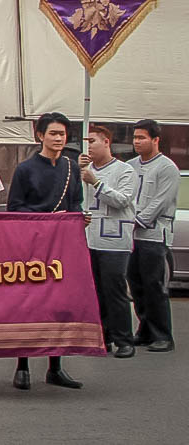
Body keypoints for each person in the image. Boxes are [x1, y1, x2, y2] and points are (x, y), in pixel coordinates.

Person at [7, 111, 84, 390]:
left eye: (62, 134)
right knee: (29, 305)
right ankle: (23, 365)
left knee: (59, 306)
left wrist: (77, 217)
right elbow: (15, 208)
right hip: (33, 245)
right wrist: (47, 218)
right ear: (40, 135)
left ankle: (56, 366)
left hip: (63, 246)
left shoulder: (71, 167)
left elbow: (76, 202)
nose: (58, 138)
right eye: (53, 133)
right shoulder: (25, 169)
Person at [81, 124, 137, 358]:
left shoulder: (125, 171)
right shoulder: (83, 171)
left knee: (115, 289)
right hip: (89, 238)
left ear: (106, 142)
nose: (89, 147)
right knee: (96, 291)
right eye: (86, 142)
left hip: (114, 240)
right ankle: (103, 336)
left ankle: (125, 338)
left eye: (93, 141)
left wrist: (96, 182)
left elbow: (122, 200)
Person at [127, 119, 178, 352]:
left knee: (154, 284)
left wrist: (137, 220)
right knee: (136, 284)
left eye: (142, 137)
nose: (137, 142)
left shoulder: (167, 167)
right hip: (130, 236)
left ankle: (163, 335)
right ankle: (145, 329)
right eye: (135, 137)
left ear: (155, 140)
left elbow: (160, 201)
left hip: (154, 235)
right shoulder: (130, 166)